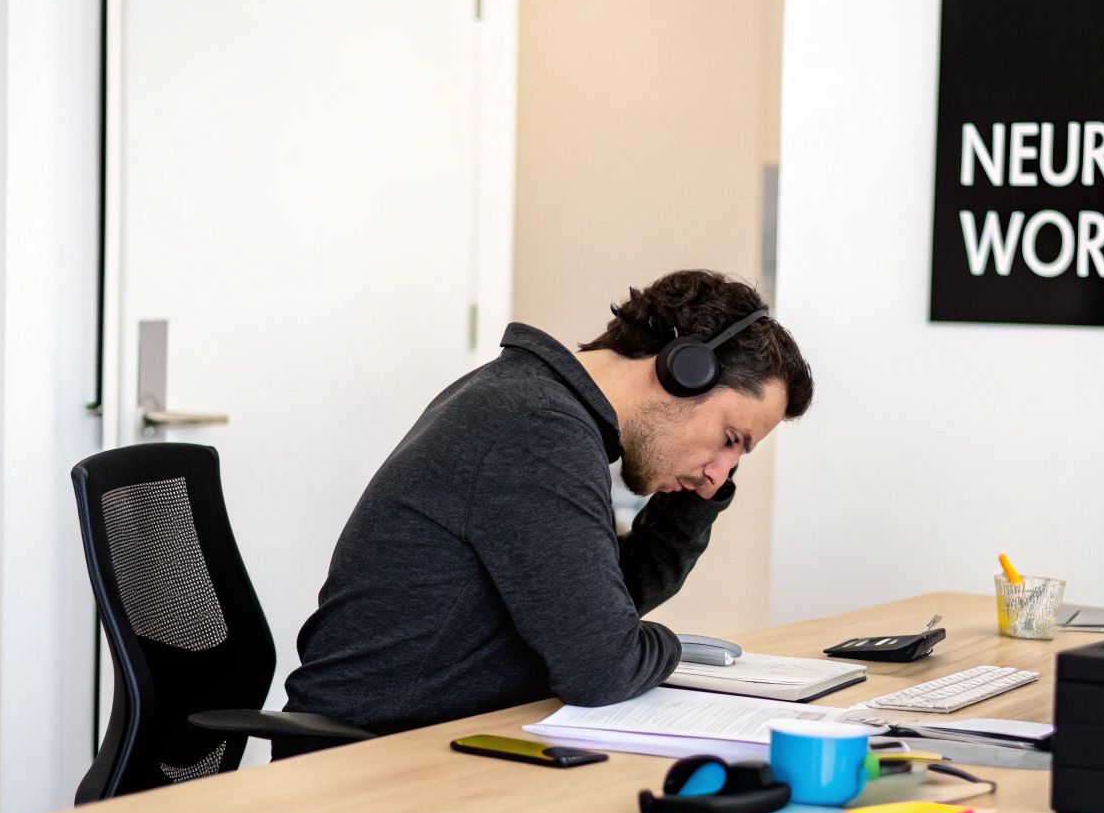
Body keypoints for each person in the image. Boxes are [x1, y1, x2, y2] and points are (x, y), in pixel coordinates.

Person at [278, 269, 813, 750]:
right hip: (368, 760)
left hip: (440, 738)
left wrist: (694, 501)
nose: (721, 471)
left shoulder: (539, 407)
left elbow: (604, 603)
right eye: (729, 438)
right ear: (684, 371)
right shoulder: (537, 429)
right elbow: (603, 666)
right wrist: (679, 648)